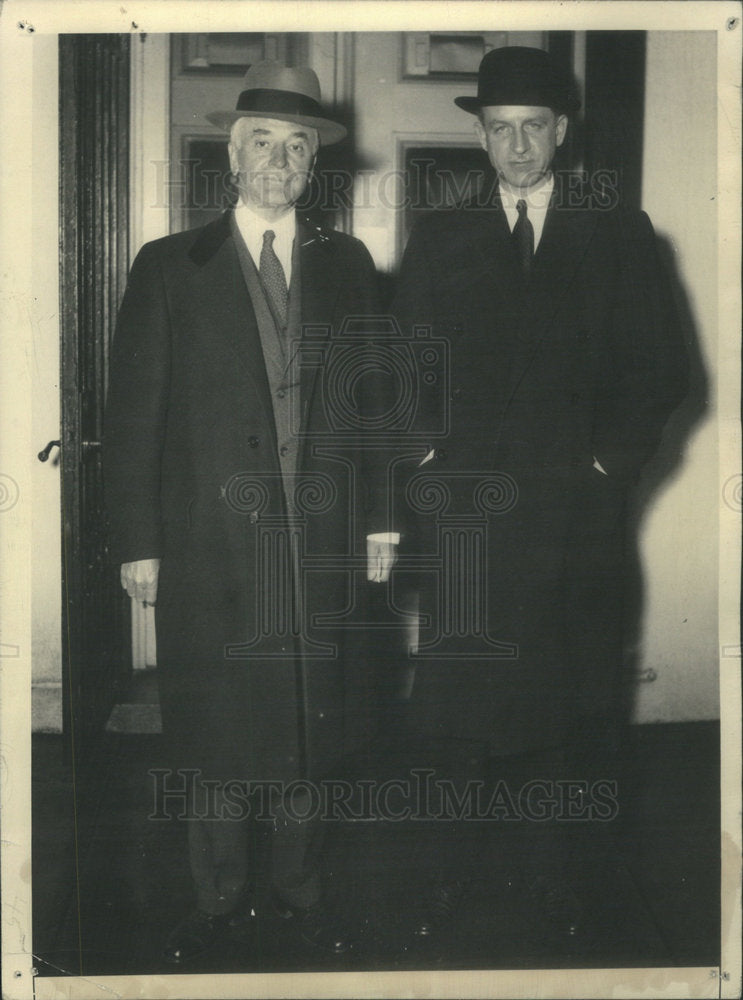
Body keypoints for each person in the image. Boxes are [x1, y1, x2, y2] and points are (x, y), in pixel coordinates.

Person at [386, 46, 689, 941]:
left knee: (570, 708)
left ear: (561, 132)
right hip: (469, 523)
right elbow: (406, 366)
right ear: (479, 138)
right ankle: (442, 895)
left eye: (533, 128)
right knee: (457, 715)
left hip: (573, 522)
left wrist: (604, 467)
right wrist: (431, 461)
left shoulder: (618, 232)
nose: (517, 147)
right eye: (499, 130)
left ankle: (561, 896)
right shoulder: (442, 236)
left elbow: (660, 372)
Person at [103, 61, 395, 964]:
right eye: (261, 142)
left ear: (314, 166)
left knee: (312, 720)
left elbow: (373, 406)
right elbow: (133, 416)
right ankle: (219, 896)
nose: (279, 160)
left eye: (297, 146)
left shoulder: (347, 266)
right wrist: (139, 542)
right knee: (217, 725)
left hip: (323, 542)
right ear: (230, 157)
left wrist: (381, 522)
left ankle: (300, 889)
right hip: (207, 543)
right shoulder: (168, 267)